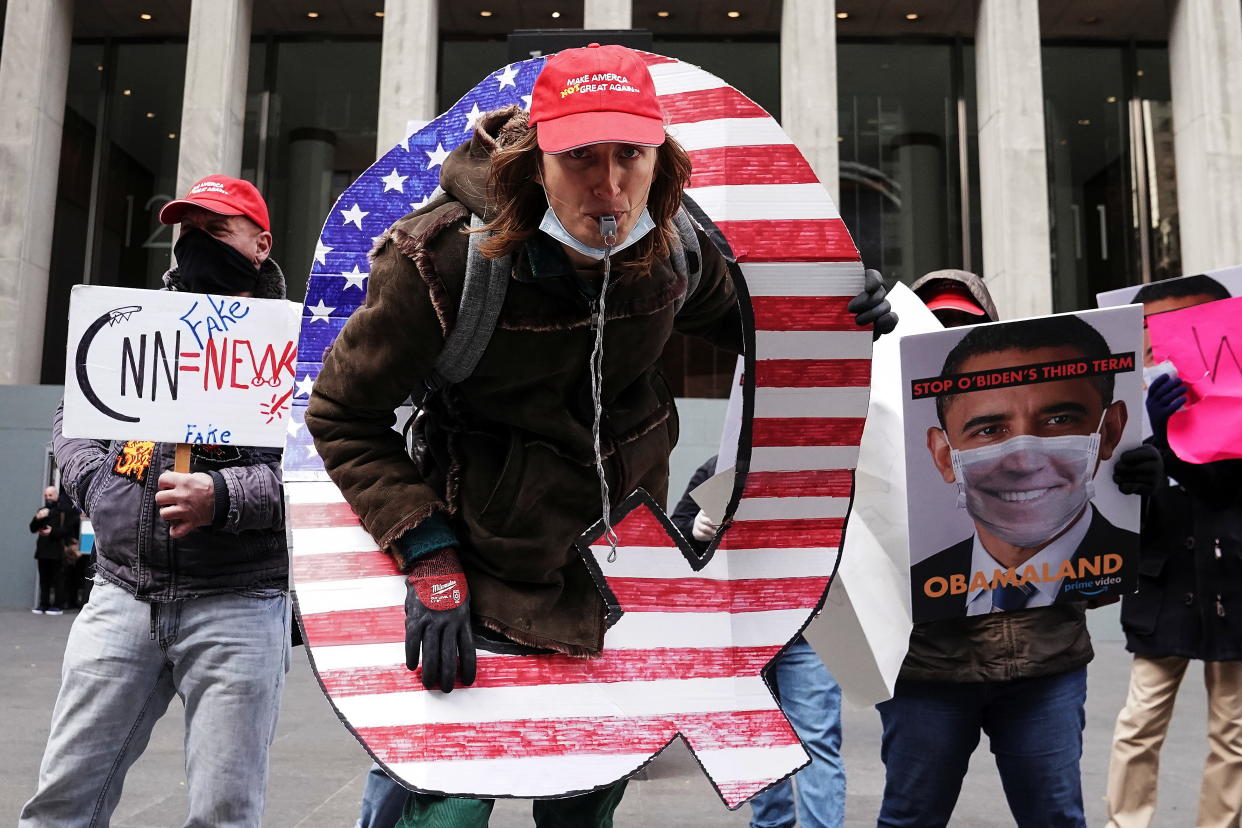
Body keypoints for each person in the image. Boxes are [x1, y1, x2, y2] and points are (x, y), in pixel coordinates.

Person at [307, 43, 894, 828]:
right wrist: (427, 556)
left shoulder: (672, 246)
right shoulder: (442, 260)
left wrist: (841, 315)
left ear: (663, 159)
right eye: (581, 156)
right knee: (442, 807)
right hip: (481, 569)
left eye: (631, 156)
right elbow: (342, 414)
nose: (610, 186)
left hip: (617, 581)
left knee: (588, 801)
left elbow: (752, 325)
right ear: (535, 159)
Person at [20, 175, 291, 828]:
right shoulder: (130, 327)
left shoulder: (300, 344)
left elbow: (325, 468)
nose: (196, 241)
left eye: (215, 228)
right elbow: (74, 420)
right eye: (188, 230)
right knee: (63, 800)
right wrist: (103, 491)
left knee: (225, 812)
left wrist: (222, 496)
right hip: (122, 596)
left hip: (241, 602)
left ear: (260, 243)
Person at [874, 271, 1162, 828]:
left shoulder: (1104, 520)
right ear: (941, 448)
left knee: (1055, 818)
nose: (1022, 452)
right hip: (928, 673)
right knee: (910, 818)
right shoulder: (880, 436)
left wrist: (1146, 490)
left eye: (1057, 421)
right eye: (984, 427)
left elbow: (1125, 573)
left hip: (1047, 667)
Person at [1105, 275, 1242, 828]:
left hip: (1231, 581)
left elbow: (1224, 490)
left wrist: (1174, 438)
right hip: (1163, 584)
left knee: (1233, 728)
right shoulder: (1123, 405)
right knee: (1139, 722)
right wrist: (1149, 434)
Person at [913, 312, 1138, 621]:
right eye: (989, 430)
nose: (1025, 462)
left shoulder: (1130, 558)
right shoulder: (915, 583)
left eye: (1059, 421)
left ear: (1109, 431)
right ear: (943, 455)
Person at [671, 456, 846, 828]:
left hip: (806, 625)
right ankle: (771, 823)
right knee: (758, 736)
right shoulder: (718, 468)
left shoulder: (816, 469)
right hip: (746, 630)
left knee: (812, 740)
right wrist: (696, 530)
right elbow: (675, 530)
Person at [28, 484, 79, 615]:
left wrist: (52, 532)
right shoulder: (42, 511)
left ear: (56, 496)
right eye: (46, 495)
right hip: (42, 551)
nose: (48, 498)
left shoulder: (63, 512)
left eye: (50, 495)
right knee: (44, 580)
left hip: (57, 552)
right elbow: (32, 528)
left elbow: (67, 530)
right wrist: (37, 518)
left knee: (58, 579)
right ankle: (43, 604)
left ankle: (58, 605)